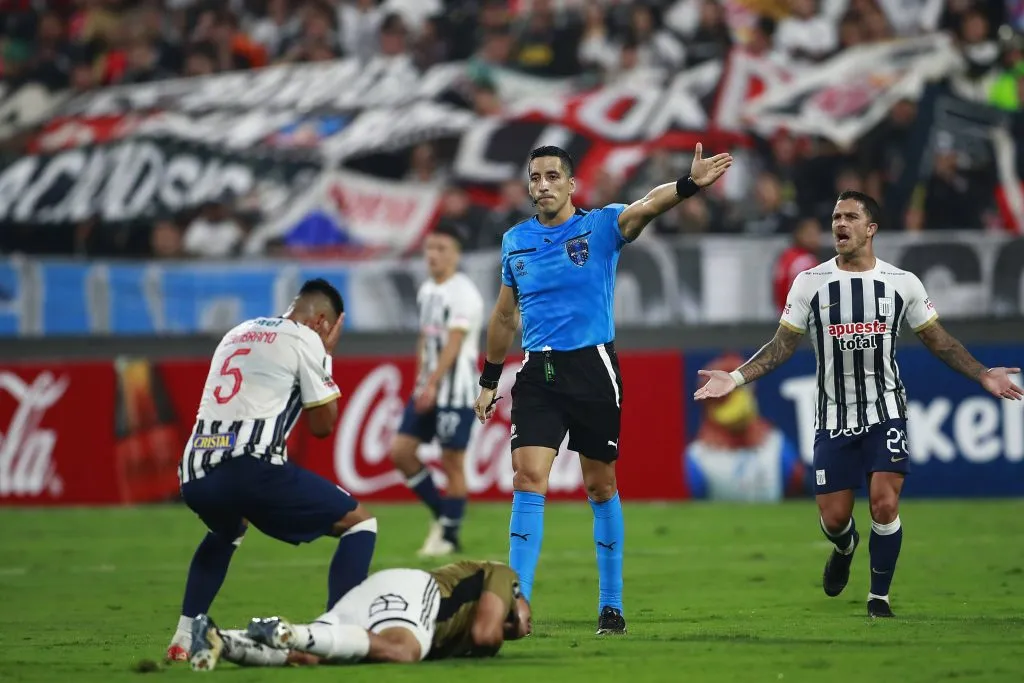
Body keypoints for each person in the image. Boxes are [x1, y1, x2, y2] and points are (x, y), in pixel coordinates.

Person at [694, 190, 1023, 618]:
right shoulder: (809, 282)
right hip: (833, 416)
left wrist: (982, 373)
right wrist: (735, 378)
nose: (839, 224)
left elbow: (937, 340)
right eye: (835, 217)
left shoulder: (901, 283)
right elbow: (781, 346)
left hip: (886, 410)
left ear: (871, 229)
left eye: (850, 217)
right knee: (834, 518)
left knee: (885, 502)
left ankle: (878, 599)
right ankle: (845, 546)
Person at [473, 144, 733, 634]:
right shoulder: (515, 241)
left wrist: (689, 184)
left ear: (572, 185)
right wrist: (489, 379)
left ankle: (611, 605)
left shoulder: (600, 226)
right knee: (528, 478)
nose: (543, 185)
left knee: (601, 485)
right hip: (539, 374)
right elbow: (505, 315)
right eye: (535, 177)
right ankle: (517, 604)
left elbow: (646, 206)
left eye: (553, 176)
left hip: (593, 371)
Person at [165, 279, 378, 662]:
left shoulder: (238, 332)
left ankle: (183, 637)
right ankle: (334, 635)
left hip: (195, 470)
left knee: (229, 528)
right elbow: (322, 425)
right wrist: (326, 355)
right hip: (250, 466)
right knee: (360, 523)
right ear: (323, 321)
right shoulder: (306, 338)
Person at [187, 560, 531, 670]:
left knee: (310, 657)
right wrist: (509, 624)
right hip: (412, 589)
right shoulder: (504, 575)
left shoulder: (457, 632)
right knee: (404, 650)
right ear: (516, 599)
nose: (526, 627)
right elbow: (486, 634)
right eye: (524, 618)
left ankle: (221, 640)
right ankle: (287, 631)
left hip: (383, 602)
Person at [389, 223, 485, 556]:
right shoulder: (427, 289)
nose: (433, 255)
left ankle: (449, 536)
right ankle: (444, 519)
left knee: (451, 462)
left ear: (456, 254)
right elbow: (426, 339)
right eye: (429, 247)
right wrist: (420, 381)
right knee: (401, 451)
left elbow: (453, 344)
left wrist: (432, 384)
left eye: (442, 248)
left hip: (456, 392)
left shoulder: (464, 293)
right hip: (428, 387)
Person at [772, 216, 822, 313]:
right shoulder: (806, 261)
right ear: (799, 234)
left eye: (817, 234)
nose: (815, 239)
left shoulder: (785, 256)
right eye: (810, 234)